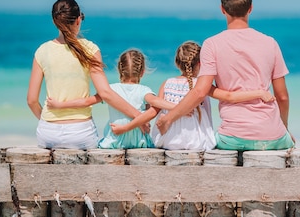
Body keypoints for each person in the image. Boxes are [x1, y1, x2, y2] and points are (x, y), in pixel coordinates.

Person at [155, 0, 294, 151]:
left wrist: (169, 119)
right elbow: (282, 97)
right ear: (250, 8)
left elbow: (199, 92)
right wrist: (284, 129)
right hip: (273, 136)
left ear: (222, 9)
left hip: (232, 138)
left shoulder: (212, 44)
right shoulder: (270, 43)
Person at [26, 0, 148, 149]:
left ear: (54, 21)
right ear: (78, 20)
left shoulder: (42, 51)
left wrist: (47, 123)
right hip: (80, 133)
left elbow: (31, 100)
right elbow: (105, 93)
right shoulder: (90, 49)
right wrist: (139, 117)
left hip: (48, 133)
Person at [111, 40, 276, 150]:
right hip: (198, 142)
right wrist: (260, 93)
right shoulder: (202, 86)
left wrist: (132, 126)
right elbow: (230, 97)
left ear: (177, 63)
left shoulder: (167, 83)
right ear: (200, 63)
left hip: (168, 141)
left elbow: (152, 112)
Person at [47, 49, 177, 149]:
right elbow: (156, 102)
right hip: (140, 142)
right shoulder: (144, 90)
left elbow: (86, 102)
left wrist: (59, 105)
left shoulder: (111, 90)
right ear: (142, 71)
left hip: (115, 140)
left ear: (120, 70)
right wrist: (178, 107)